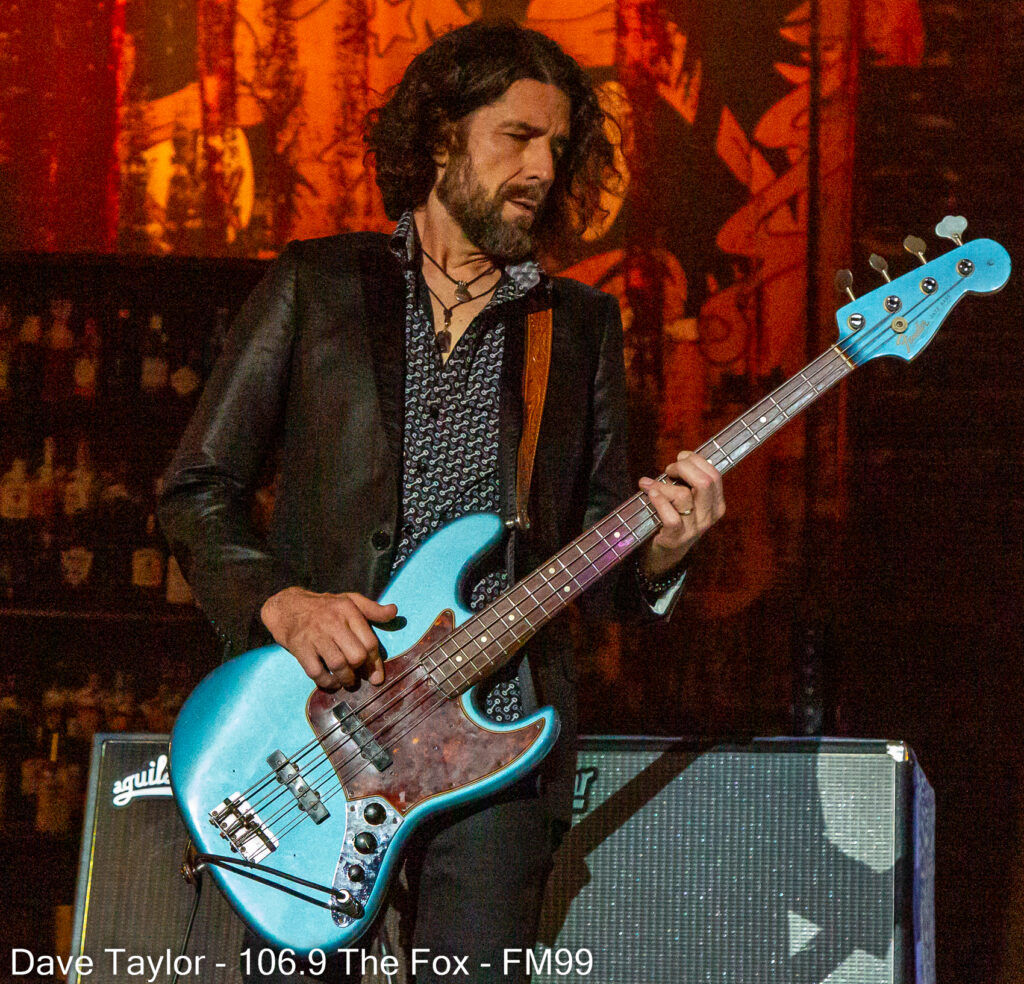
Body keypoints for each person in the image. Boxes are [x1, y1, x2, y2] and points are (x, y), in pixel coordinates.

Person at [158, 20, 725, 984]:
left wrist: (664, 555)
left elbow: (599, 562)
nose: (543, 168)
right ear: (438, 138)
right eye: (518, 136)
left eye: (558, 147)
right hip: (316, 731)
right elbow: (195, 489)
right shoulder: (317, 285)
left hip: (494, 747)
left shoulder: (577, 327)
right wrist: (285, 605)